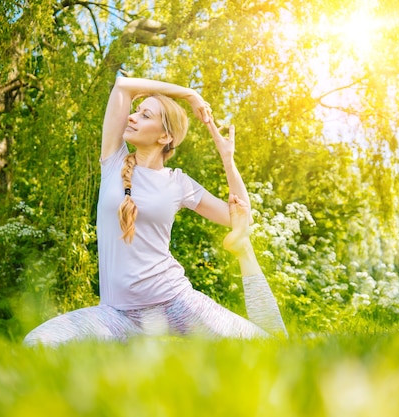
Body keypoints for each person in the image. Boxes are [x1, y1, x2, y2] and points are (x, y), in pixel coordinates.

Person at [24, 78, 287, 346]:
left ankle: (244, 255)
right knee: (37, 343)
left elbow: (240, 216)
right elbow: (123, 86)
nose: (133, 117)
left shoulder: (178, 182)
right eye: (136, 112)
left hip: (176, 302)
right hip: (116, 314)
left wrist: (227, 160)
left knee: (268, 346)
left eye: (145, 115)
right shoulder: (114, 160)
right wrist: (189, 94)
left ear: (165, 136)